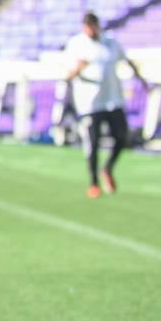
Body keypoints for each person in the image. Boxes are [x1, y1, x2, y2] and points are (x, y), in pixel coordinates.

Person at [64, 12, 147, 198]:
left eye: (92, 25)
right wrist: (78, 68)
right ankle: (93, 183)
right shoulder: (76, 44)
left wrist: (142, 81)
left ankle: (107, 168)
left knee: (122, 137)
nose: (90, 29)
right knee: (93, 143)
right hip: (90, 103)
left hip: (113, 100)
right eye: (87, 26)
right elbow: (67, 74)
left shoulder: (110, 41)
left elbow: (126, 60)